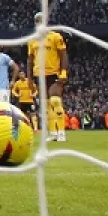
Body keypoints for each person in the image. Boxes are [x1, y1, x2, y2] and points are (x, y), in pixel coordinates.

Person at [28, 12, 70, 143]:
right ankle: (53, 133)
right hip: (38, 75)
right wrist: (29, 78)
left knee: (55, 101)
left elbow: (63, 55)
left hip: (54, 74)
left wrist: (63, 72)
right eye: (37, 21)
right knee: (45, 105)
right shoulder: (32, 40)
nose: (40, 24)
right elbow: (30, 60)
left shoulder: (55, 37)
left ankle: (61, 132)